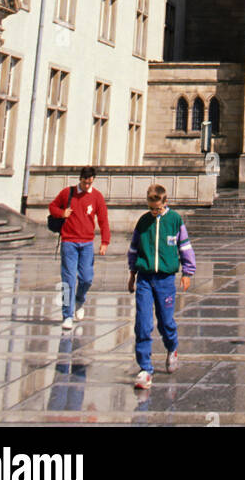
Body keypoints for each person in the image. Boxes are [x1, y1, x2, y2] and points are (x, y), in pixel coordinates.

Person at [127, 183, 196, 388]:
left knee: (165, 322)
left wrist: (187, 272)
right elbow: (133, 250)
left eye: (157, 208)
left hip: (165, 279)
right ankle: (145, 368)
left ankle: (171, 347)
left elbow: (184, 246)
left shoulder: (174, 220)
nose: (154, 212)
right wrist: (132, 275)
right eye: (151, 208)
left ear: (165, 203)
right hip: (145, 278)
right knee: (143, 323)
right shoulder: (144, 221)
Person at [48, 166, 110, 329]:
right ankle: (67, 315)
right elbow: (52, 207)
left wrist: (105, 242)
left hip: (87, 243)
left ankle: (79, 299)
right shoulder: (67, 193)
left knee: (86, 278)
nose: (87, 185)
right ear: (80, 179)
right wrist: (62, 214)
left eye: (90, 183)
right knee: (68, 279)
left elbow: (103, 220)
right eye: (85, 182)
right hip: (69, 241)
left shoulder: (97, 197)